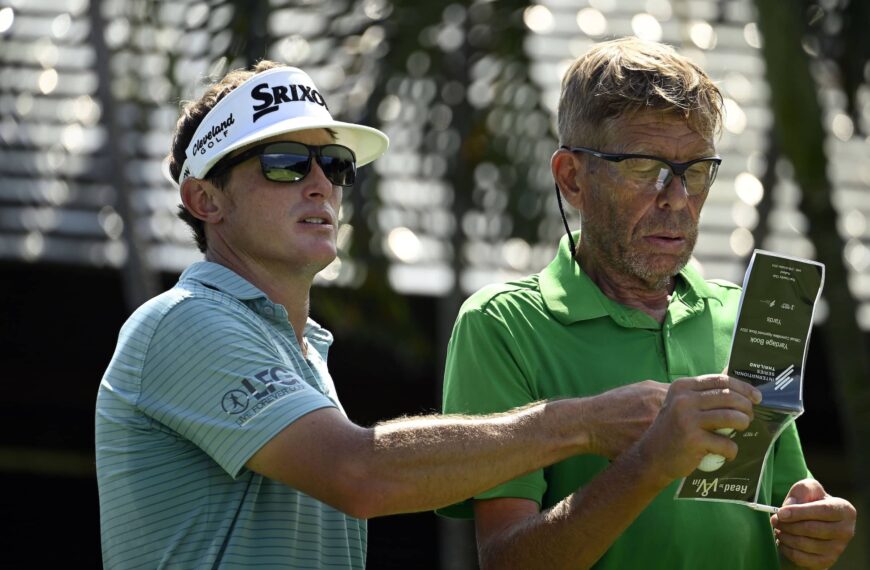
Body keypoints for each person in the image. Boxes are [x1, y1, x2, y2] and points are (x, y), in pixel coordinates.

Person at [95, 61, 754, 569]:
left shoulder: (296, 352)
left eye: (335, 164)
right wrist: (582, 423)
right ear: (204, 199)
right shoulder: (185, 322)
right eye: (286, 164)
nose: (321, 183)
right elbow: (362, 473)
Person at [439, 37, 856, 569]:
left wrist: (813, 532)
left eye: (697, 170)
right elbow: (505, 561)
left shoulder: (747, 317)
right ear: (572, 178)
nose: (676, 199)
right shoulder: (502, 326)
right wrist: (648, 463)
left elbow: (783, 512)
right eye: (642, 167)